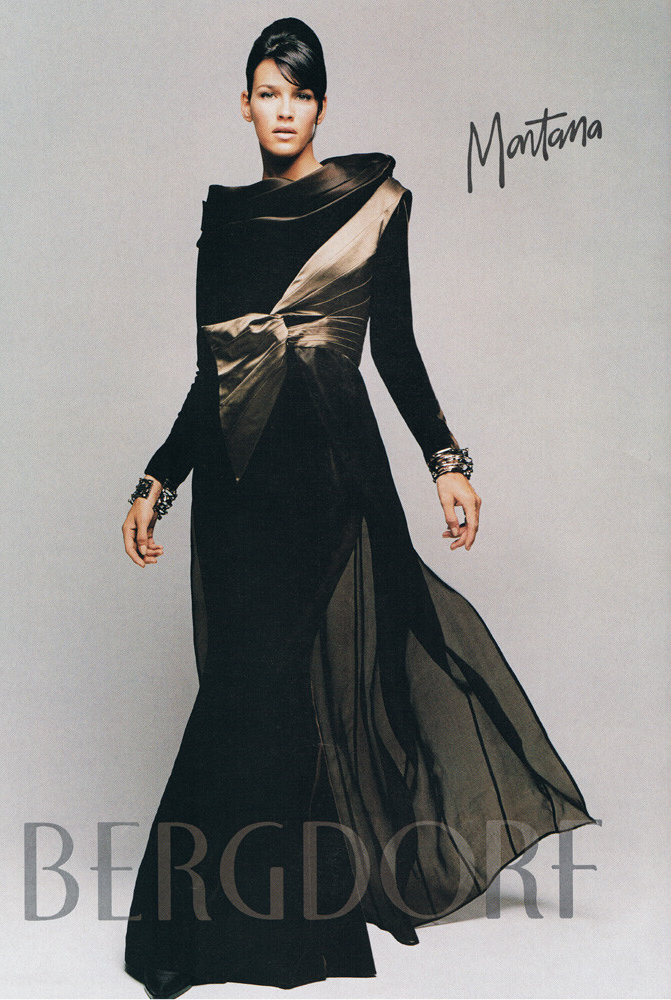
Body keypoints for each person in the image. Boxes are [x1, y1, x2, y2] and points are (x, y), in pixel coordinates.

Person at [121, 18, 597, 999]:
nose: (283, 110)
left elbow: (397, 351)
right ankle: (238, 920)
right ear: (244, 105)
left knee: (293, 682)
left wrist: (445, 460)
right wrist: (157, 480)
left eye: (298, 94)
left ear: (320, 107)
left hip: (328, 478)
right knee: (244, 687)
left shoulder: (375, 205)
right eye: (267, 92)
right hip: (237, 488)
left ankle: (271, 930)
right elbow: (214, 373)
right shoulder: (223, 220)